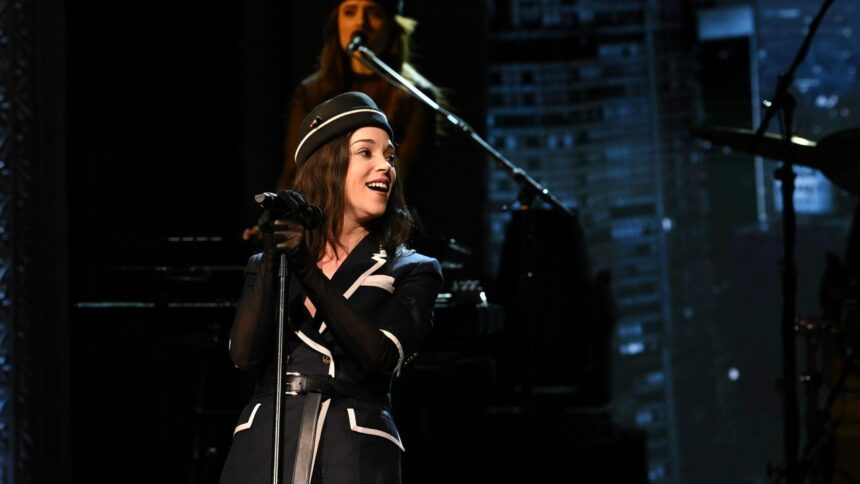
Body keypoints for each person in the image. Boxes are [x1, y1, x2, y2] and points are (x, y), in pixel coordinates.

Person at [220, 91, 443, 484]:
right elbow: (243, 353)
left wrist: (308, 270)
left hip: (352, 453)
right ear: (329, 165)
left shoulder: (412, 269)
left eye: (390, 156)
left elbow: (380, 356)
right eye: (366, 152)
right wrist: (273, 258)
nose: (385, 166)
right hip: (266, 447)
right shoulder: (269, 264)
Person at [277, 0, 439, 207]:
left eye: (374, 13)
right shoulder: (311, 92)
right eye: (350, 12)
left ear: (391, 26)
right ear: (336, 23)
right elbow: (293, 173)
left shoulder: (415, 96)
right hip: (320, 216)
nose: (360, 22)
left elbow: (402, 181)